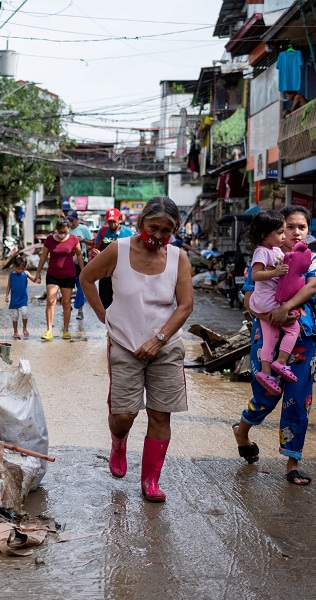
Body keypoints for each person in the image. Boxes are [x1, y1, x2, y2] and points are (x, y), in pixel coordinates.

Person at [80, 197, 194, 502]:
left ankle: (150, 482)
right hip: (124, 343)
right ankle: (119, 442)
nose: (157, 235)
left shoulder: (178, 258)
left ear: (174, 231)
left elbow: (185, 305)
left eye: (165, 231)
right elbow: (87, 278)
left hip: (165, 346)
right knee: (125, 414)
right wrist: (102, 314)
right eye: (153, 227)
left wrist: (159, 339)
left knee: (161, 415)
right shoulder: (117, 249)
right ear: (141, 222)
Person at [232, 205, 316, 486]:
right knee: (265, 395)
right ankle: (242, 431)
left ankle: (292, 463)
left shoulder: (313, 257)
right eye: (290, 226)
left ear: (309, 231)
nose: (296, 232)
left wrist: (286, 307)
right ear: (278, 229)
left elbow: (311, 286)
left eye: (302, 227)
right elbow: (249, 298)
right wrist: (267, 314)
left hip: (302, 336)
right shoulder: (266, 256)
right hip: (267, 334)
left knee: (298, 400)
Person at [245, 210, 300, 396]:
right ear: (264, 235)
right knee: (293, 329)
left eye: (284, 232)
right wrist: (275, 273)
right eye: (280, 232)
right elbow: (255, 275)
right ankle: (281, 362)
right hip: (267, 301)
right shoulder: (262, 251)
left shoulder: (276, 250)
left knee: (270, 338)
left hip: (263, 302)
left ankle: (266, 373)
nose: (284, 236)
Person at [34, 217, 85, 340]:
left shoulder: (73, 239)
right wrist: (38, 273)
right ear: (56, 229)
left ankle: (66, 330)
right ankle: (49, 330)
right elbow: (43, 256)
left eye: (65, 232)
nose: (63, 234)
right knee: (51, 301)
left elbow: (79, 255)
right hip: (53, 275)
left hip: (68, 276)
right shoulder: (49, 240)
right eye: (61, 232)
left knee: (66, 303)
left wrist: (83, 272)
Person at [86, 208, 134, 309]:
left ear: (120, 219)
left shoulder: (128, 232)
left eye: (114, 221)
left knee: (121, 300)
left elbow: (134, 251)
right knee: (105, 300)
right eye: (109, 221)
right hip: (105, 272)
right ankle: (107, 323)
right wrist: (96, 253)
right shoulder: (103, 231)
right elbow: (96, 248)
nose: (111, 224)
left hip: (122, 271)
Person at [66, 210, 94, 320]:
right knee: (67, 285)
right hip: (67, 262)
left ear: (77, 220)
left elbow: (93, 243)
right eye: (68, 220)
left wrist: (83, 240)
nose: (70, 222)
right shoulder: (65, 229)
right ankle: (67, 306)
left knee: (81, 286)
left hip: (81, 261)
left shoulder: (84, 229)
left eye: (72, 220)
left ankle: (80, 311)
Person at [6, 254, 33, 340]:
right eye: (19, 269)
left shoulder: (25, 273)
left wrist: (37, 279)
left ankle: (24, 328)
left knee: (24, 312)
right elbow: (9, 286)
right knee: (15, 316)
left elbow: (33, 279)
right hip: (14, 299)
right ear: (14, 266)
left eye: (22, 269)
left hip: (23, 298)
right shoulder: (11, 275)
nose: (20, 270)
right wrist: (7, 295)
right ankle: (15, 332)